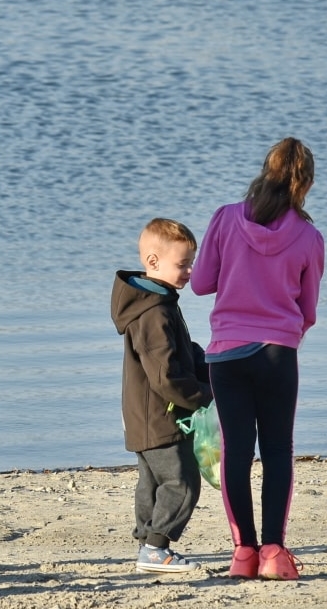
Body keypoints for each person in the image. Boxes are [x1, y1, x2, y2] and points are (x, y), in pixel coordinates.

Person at [191, 137, 324, 581]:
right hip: (277, 355)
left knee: (236, 452)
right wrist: (284, 333)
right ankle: (274, 553)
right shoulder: (309, 236)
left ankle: (243, 553)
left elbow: (201, 283)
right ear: (304, 183)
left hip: (226, 354)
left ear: (265, 171)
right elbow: (308, 312)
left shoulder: (226, 218)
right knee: (278, 451)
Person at [111, 218, 212, 574]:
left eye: (191, 262)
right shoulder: (154, 312)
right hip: (160, 416)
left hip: (141, 417)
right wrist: (204, 395)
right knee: (182, 482)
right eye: (182, 264)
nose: (189, 271)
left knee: (152, 482)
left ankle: (146, 544)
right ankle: (156, 548)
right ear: (153, 262)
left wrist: (202, 360)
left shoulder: (157, 301)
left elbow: (175, 352)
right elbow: (165, 376)